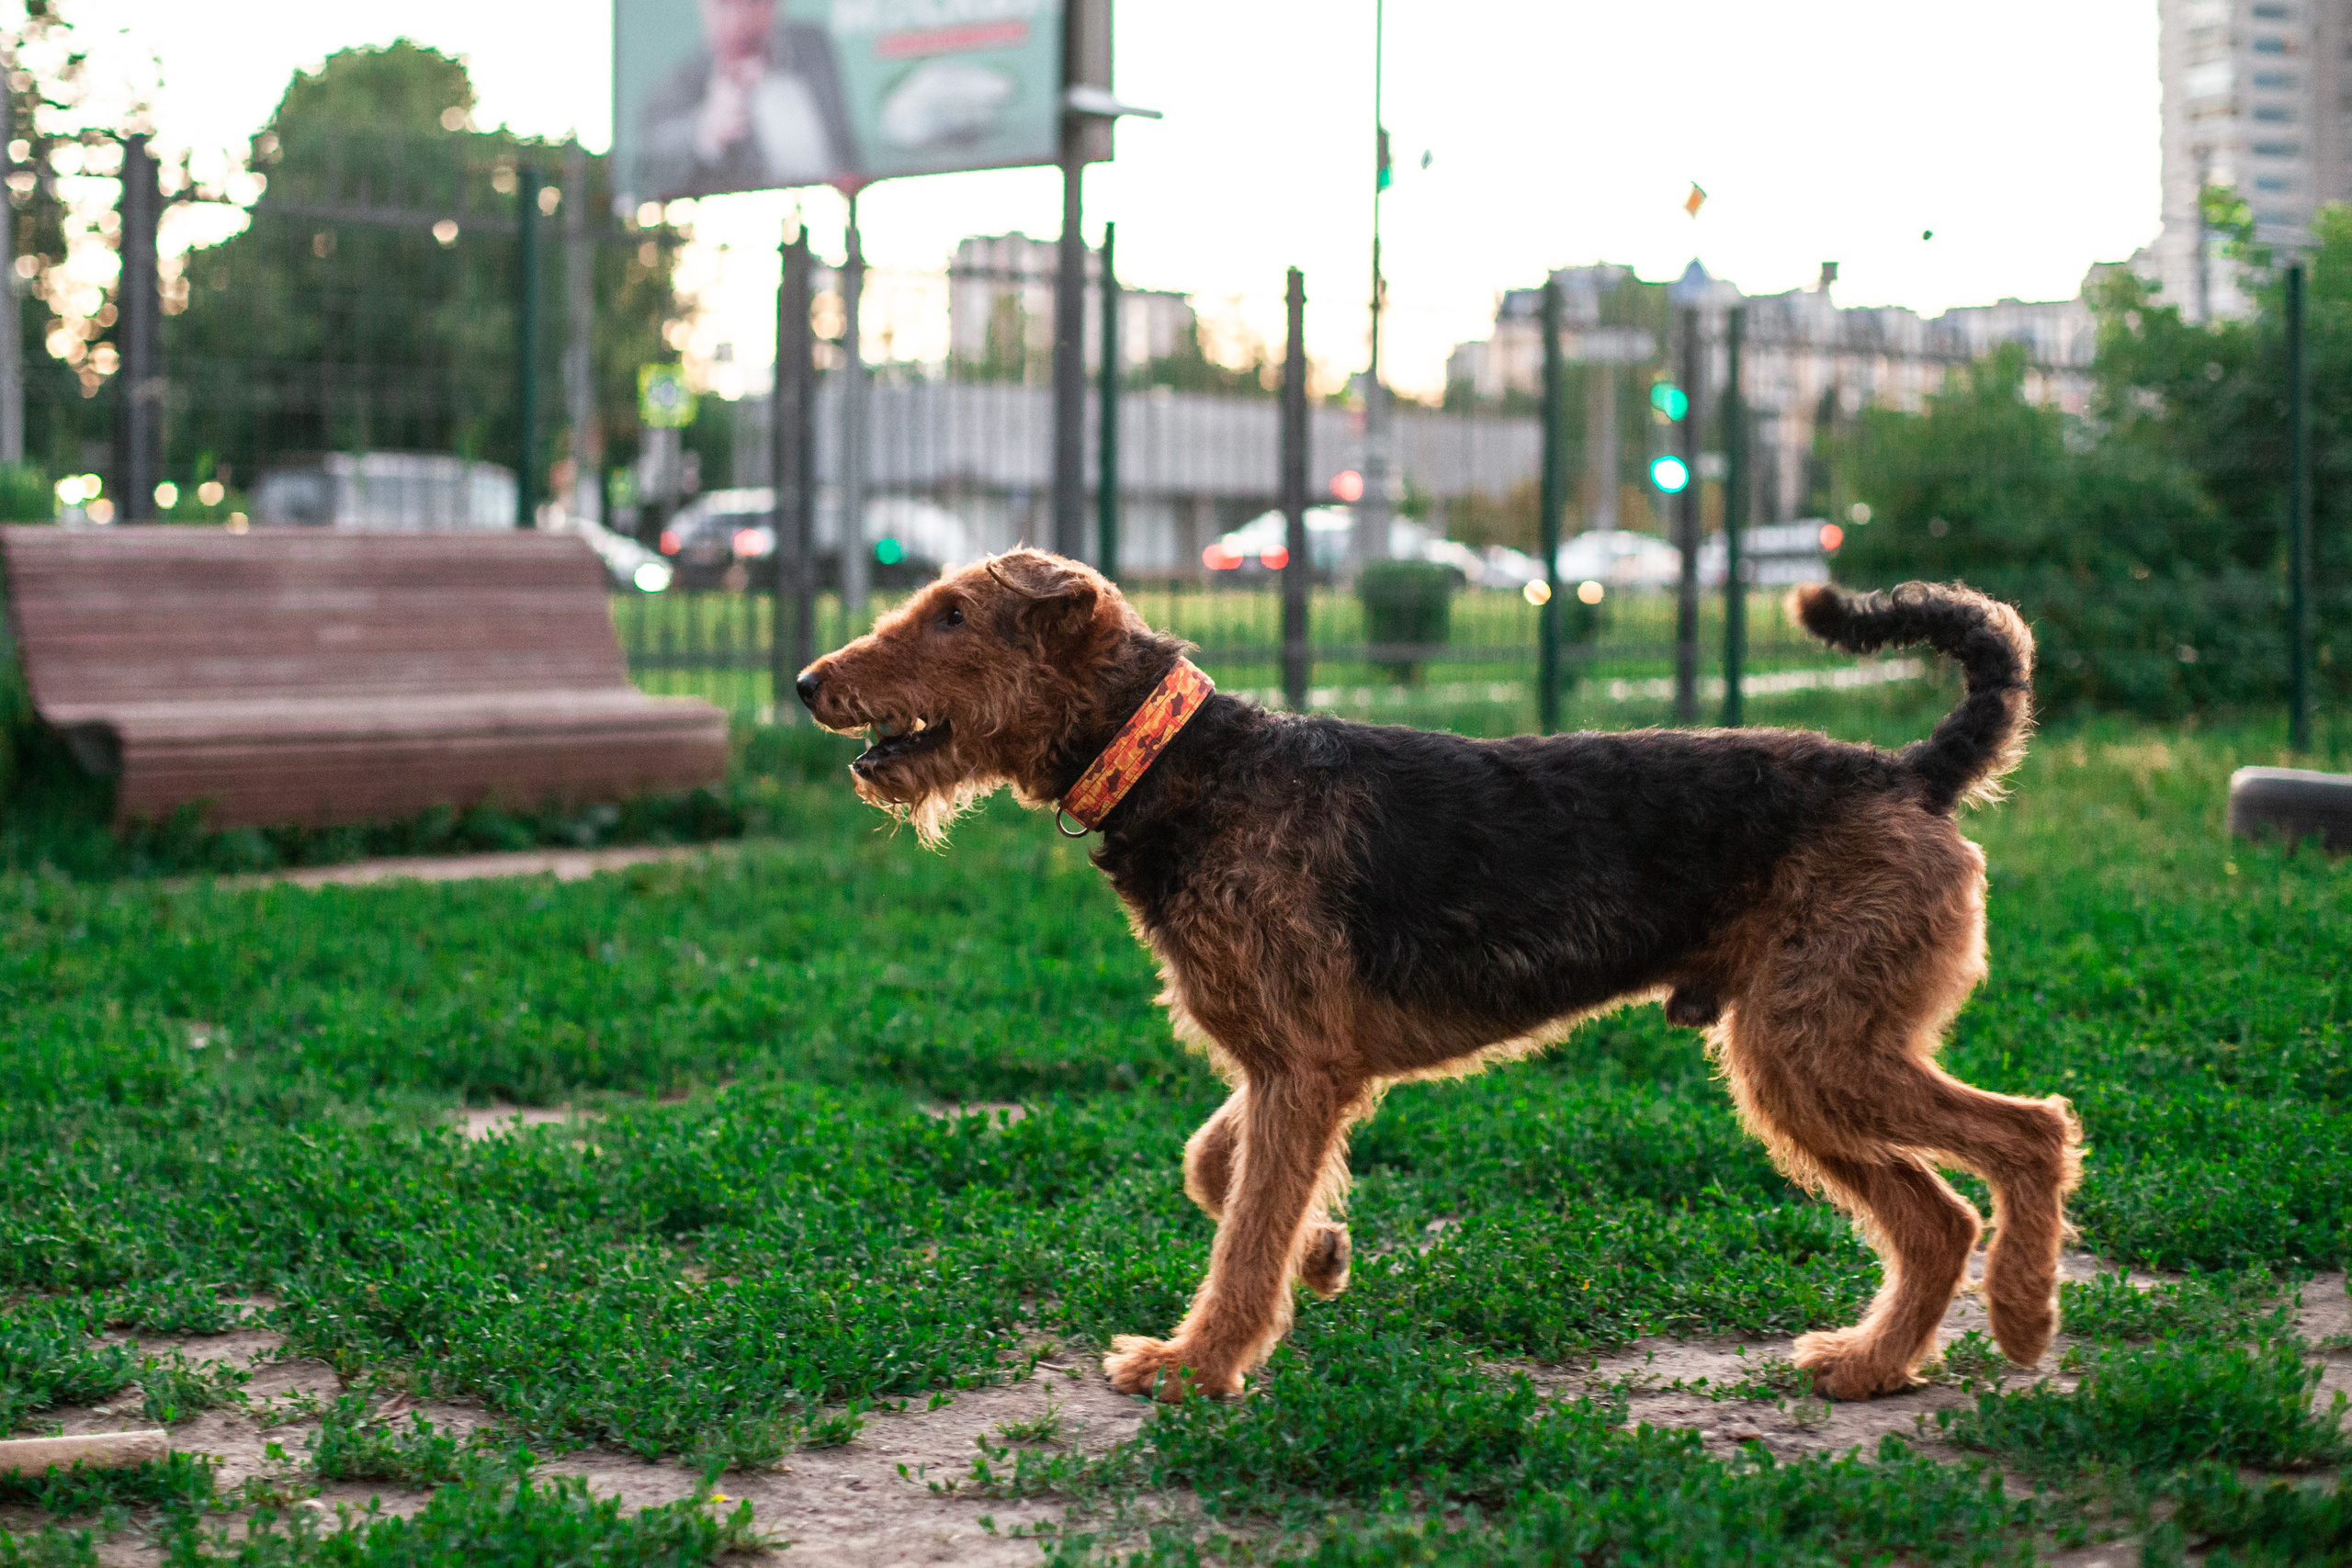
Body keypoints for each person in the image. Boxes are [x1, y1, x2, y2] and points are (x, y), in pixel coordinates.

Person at [635, 0, 857, 199]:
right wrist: (706, 132)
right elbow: (658, 158)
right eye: (725, 4)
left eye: (753, 2)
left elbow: (846, 148)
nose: (740, 19)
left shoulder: (812, 44)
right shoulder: (676, 90)